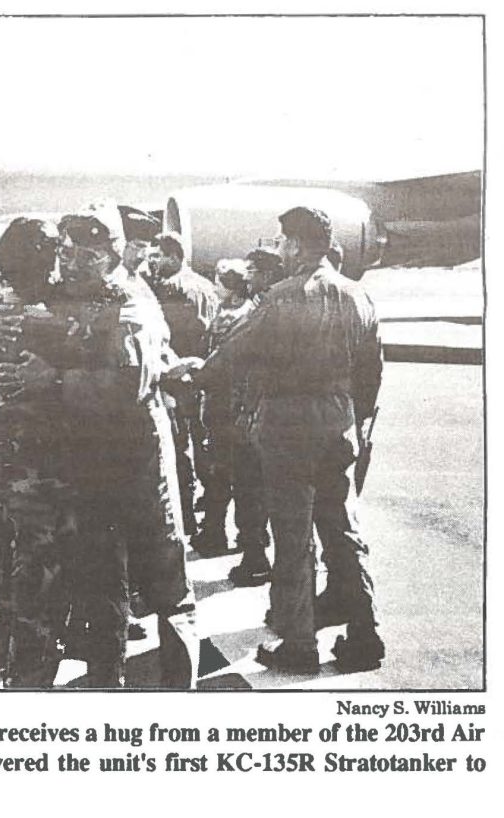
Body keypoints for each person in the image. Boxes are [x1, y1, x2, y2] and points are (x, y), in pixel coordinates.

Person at [0, 213, 198, 688]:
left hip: (140, 460)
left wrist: (56, 379)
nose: (68, 263)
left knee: (168, 579)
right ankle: (108, 679)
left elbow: (128, 383)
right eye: (64, 252)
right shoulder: (82, 301)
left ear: (108, 258)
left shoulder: (128, 305)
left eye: (82, 256)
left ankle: (181, 687)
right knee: (105, 577)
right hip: (98, 464)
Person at [189, 207, 384, 673]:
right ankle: (365, 634)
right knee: (343, 531)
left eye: (281, 242)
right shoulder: (360, 297)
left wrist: (197, 374)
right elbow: (371, 372)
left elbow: (233, 353)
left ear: (296, 245)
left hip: (288, 426)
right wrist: (355, 419)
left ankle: (299, 645)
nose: (278, 249)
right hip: (339, 422)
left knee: (294, 538)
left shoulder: (283, 296)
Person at [0, 217, 72, 686]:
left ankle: (10, 655)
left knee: (0, 559)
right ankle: (31, 674)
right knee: (42, 574)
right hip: (45, 472)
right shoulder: (62, 319)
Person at [198, 259, 271, 585]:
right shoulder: (250, 313)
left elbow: (222, 364)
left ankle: (249, 552)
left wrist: (195, 376)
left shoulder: (239, 320)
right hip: (238, 411)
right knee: (239, 482)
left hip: (231, 411)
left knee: (234, 481)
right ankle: (246, 542)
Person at [144, 232, 218, 547]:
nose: (153, 262)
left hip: (181, 381)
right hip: (205, 380)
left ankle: (188, 520)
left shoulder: (175, 291)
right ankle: (210, 522)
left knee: (181, 454)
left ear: (175, 256)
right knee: (206, 453)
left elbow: (172, 338)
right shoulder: (208, 286)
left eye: (158, 256)